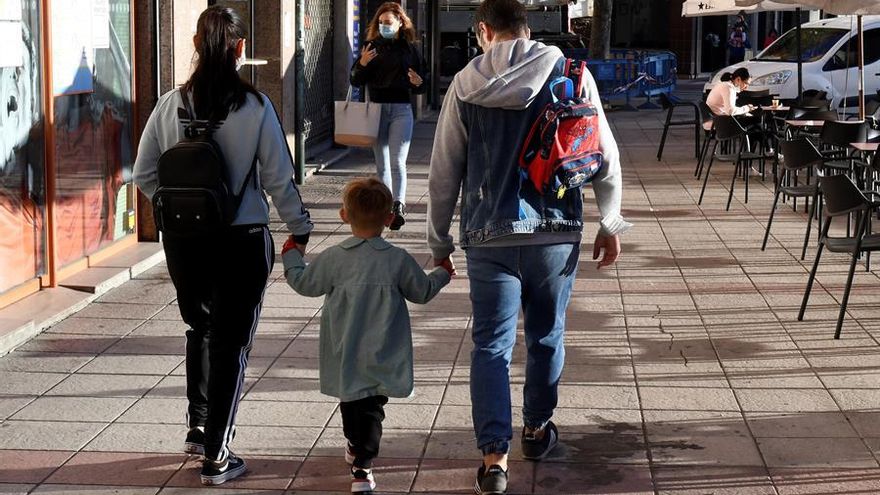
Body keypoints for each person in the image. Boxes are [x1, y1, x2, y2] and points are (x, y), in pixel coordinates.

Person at [426, 0, 630, 493]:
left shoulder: (465, 84)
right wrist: (610, 222)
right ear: (527, 27)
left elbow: (444, 171)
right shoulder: (571, 74)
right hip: (557, 233)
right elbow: (604, 154)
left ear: (483, 30)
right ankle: (536, 430)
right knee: (546, 336)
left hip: (489, 235)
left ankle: (494, 459)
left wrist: (439, 241)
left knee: (490, 345)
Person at [132, 6, 313, 486]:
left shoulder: (170, 104)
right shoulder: (254, 107)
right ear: (240, 49)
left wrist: (180, 209)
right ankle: (217, 454)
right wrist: (300, 227)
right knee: (232, 341)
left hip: (184, 242)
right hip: (241, 239)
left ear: (195, 45)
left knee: (199, 327)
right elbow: (279, 179)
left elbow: (144, 173)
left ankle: (198, 427)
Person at [282, 177, 451, 494]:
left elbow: (304, 283)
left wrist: (291, 254)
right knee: (373, 405)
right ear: (389, 218)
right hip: (384, 349)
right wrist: (443, 271)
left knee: (351, 402)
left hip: (345, 347)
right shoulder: (397, 259)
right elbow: (422, 291)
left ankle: (359, 454)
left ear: (344, 215)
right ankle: (362, 462)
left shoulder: (334, 257)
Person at [350, 2, 426, 231]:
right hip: (377, 110)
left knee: (397, 161)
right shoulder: (371, 47)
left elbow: (422, 84)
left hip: (401, 109)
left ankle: (398, 206)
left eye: (389, 22)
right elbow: (355, 80)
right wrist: (362, 64)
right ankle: (385, 207)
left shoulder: (410, 49)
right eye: (381, 22)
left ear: (400, 23)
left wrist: (418, 82)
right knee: (382, 164)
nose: (384, 26)